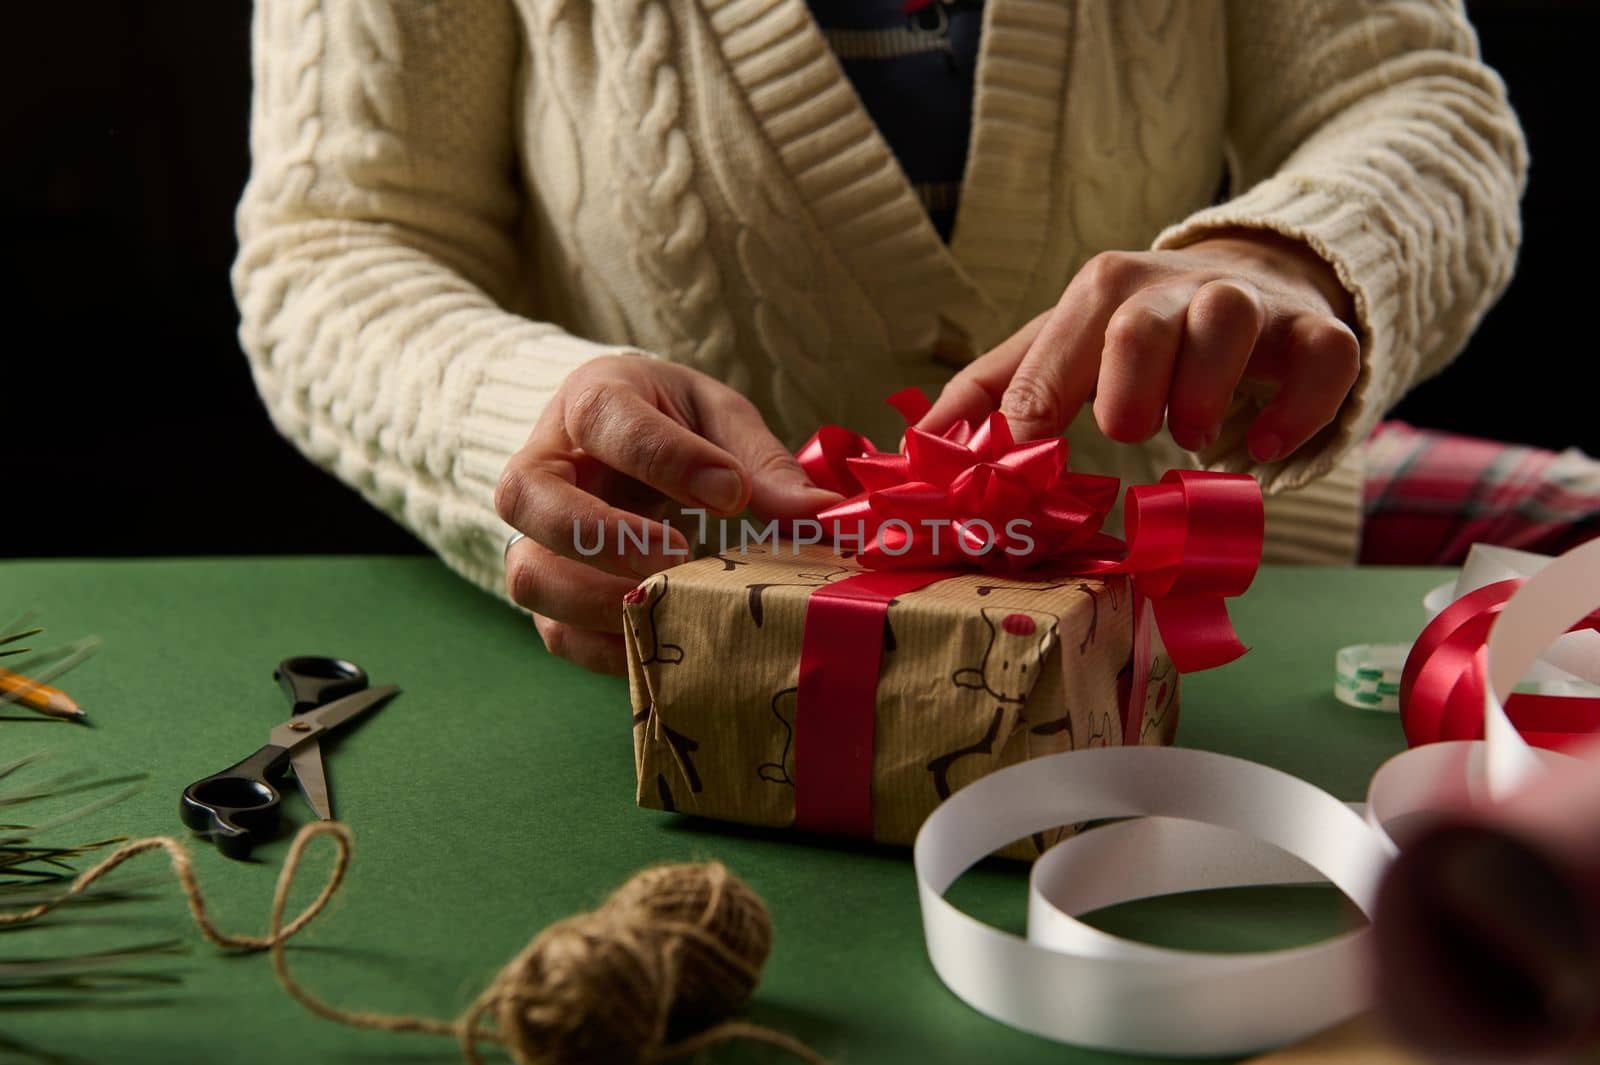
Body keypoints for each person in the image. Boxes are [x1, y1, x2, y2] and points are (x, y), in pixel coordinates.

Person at [233, 0, 1526, 676]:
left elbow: (1417, 99)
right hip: (697, 646)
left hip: (1215, 560)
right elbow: (329, 242)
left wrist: (1284, 254)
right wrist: (531, 418)